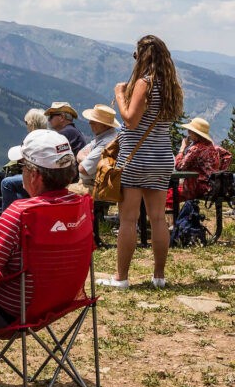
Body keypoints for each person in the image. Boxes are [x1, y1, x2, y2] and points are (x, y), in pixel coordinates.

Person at [98, 36, 184, 290]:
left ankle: (121, 278)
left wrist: (119, 95)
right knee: (158, 218)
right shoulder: (171, 87)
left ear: (143, 56)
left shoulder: (144, 84)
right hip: (161, 158)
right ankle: (159, 276)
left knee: (128, 219)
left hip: (136, 159)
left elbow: (130, 120)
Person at [0, 130, 81, 329]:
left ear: (35, 175)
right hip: (58, 304)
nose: (19, 171)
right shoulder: (79, 206)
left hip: (11, 313)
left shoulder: (20, 214)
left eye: (21, 166)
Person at [0, 108, 51, 211]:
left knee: (6, 183)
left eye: (26, 122)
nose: (26, 125)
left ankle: (8, 217)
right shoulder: (50, 136)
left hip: (39, 176)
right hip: (52, 176)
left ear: (32, 123)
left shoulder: (32, 138)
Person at [173, 118, 232, 202]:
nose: (188, 134)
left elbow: (179, 166)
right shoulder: (212, 147)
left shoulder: (195, 149)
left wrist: (182, 149)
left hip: (199, 187)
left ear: (196, 134)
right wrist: (219, 172)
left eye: (190, 131)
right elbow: (228, 156)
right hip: (214, 185)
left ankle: (181, 213)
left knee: (173, 193)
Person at [76, 104, 120, 187]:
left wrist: (85, 159)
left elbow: (83, 169)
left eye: (94, 121)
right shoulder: (103, 136)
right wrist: (87, 159)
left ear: (105, 125)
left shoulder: (107, 143)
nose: (89, 123)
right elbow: (80, 153)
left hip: (95, 186)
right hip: (93, 183)